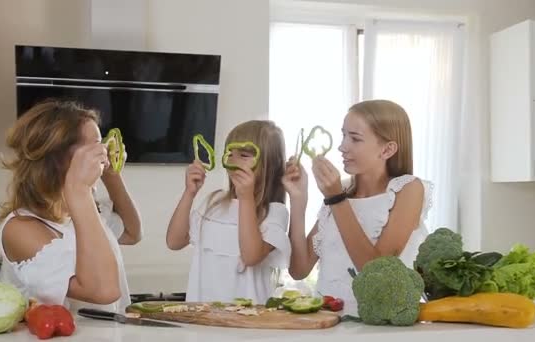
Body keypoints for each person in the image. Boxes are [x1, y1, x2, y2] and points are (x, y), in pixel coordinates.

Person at [283, 100, 432, 314]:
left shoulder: (408, 189)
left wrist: (335, 198)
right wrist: (298, 200)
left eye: (355, 138)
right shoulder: (341, 190)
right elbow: (299, 269)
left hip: (376, 328)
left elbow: (375, 271)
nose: (342, 146)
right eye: (343, 135)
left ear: (387, 149)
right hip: (328, 324)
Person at [0, 100, 142, 313]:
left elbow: (132, 233)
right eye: (94, 146)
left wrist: (111, 175)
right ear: (59, 158)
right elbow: (103, 291)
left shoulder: (80, 211)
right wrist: (79, 190)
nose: (103, 151)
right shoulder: (20, 229)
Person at [166, 120, 291, 304]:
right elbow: (174, 242)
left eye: (244, 154)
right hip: (204, 319)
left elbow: (251, 256)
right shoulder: (214, 202)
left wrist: (246, 198)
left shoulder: (274, 212)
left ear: (268, 165)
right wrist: (189, 193)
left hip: (248, 324)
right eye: (229, 153)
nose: (233, 160)